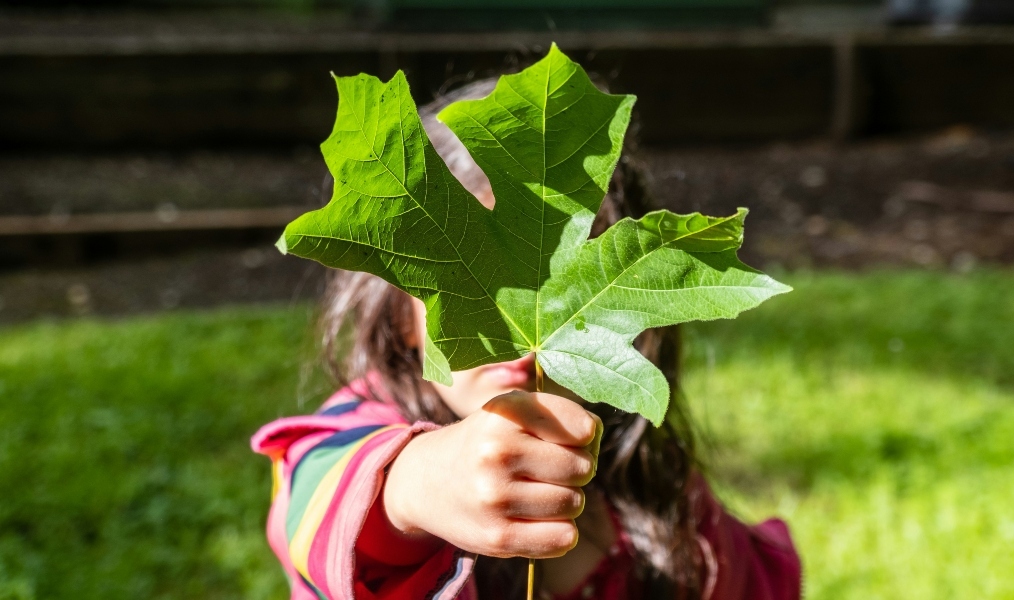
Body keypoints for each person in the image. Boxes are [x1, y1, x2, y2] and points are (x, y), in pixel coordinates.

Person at [252, 79, 801, 600]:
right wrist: (420, 485)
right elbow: (318, 503)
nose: (516, 327)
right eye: (475, 287)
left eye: (560, 283)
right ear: (402, 318)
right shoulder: (355, 431)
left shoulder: (653, 484)